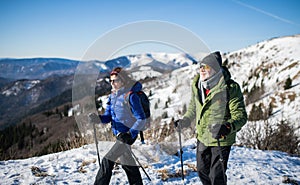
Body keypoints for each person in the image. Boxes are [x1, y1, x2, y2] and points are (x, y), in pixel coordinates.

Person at [175, 51, 247, 185]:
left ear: (216, 69)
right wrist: (185, 120)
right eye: (201, 67)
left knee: (216, 176)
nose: (202, 70)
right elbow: (194, 107)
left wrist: (226, 127)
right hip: (202, 136)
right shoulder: (198, 86)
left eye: (206, 67)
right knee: (202, 172)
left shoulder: (230, 88)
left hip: (221, 138)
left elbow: (240, 116)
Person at [89, 67, 147, 185]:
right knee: (127, 162)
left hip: (128, 135)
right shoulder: (113, 96)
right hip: (119, 135)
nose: (112, 83)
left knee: (107, 160)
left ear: (123, 81)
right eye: (111, 81)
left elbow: (141, 118)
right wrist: (98, 118)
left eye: (115, 80)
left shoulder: (131, 96)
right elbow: (108, 116)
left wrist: (130, 134)